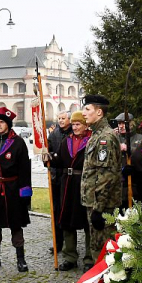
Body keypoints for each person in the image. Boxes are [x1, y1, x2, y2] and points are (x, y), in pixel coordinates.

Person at [0, 108, 32, 272]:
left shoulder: (18, 142)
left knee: (15, 223)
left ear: (8, 124)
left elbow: (24, 168)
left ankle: (20, 258)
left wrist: (25, 192)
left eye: (2, 122)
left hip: (12, 188)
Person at [80, 95, 121, 259]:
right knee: (98, 247)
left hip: (103, 206)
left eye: (87, 109)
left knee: (104, 252)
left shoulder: (105, 138)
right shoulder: (96, 134)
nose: (83, 113)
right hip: (95, 202)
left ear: (99, 112)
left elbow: (106, 176)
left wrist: (98, 208)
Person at [53, 111, 93, 272]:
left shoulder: (92, 141)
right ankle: (70, 256)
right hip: (67, 184)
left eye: (78, 124)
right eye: (74, 124)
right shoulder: (66, 141)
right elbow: (60, 160)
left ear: (86, 125)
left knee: (87, 221)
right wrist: (48, 158)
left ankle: (90, 258)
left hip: (84, 183)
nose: (75, 127)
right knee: (67, 219)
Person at [46, 111, 72, 254]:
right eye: (59, 118)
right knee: (56, 211)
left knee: (66, 210)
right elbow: (48, 149)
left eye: (64, 118)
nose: (61, 121)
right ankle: (57, 243)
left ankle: (70, 245)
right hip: (55, 177)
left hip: (68, 177)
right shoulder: (54, 133)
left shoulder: (73, 132)